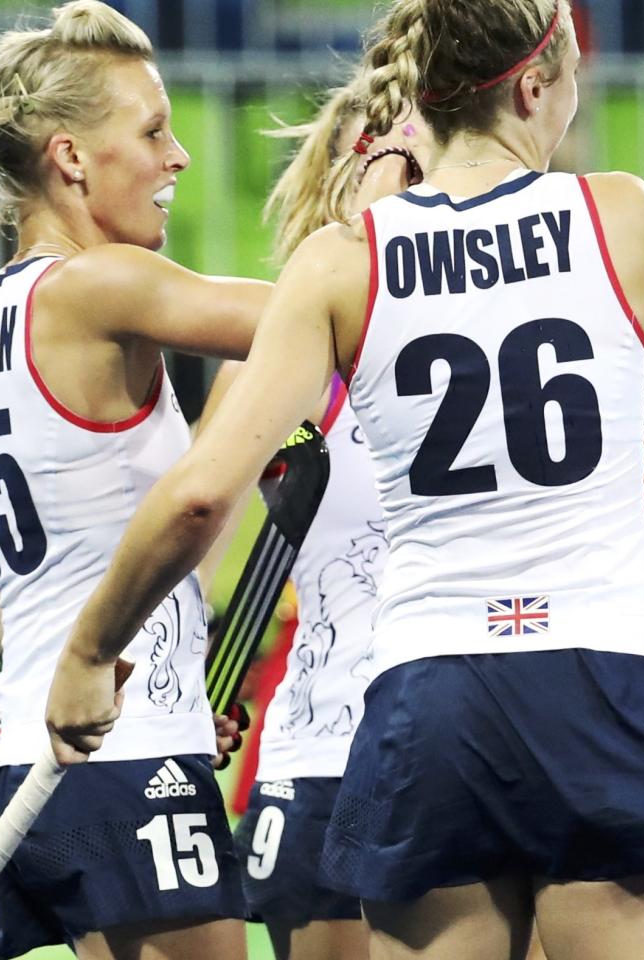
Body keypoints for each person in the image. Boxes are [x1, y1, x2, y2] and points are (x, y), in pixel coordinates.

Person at [43, 2, 644, 958]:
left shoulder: (341, 264)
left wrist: (89, 651)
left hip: (437, 683)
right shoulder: (625, 214)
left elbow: (201, 493)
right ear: (533, 86)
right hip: (608, 669)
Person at [0, 3, 273, 956]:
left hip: (26, 754)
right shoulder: (104, 284)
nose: (177, 157)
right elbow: (319, 316)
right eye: (153, 132)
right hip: (121, 763)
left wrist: (99, 669)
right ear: (70, 157)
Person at [215, 79, 424, 960]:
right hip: (329, 756)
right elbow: (198, 527)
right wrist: (195, 687)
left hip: (488, 741)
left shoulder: (517, 327)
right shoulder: (280, 355)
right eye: (378, 154)